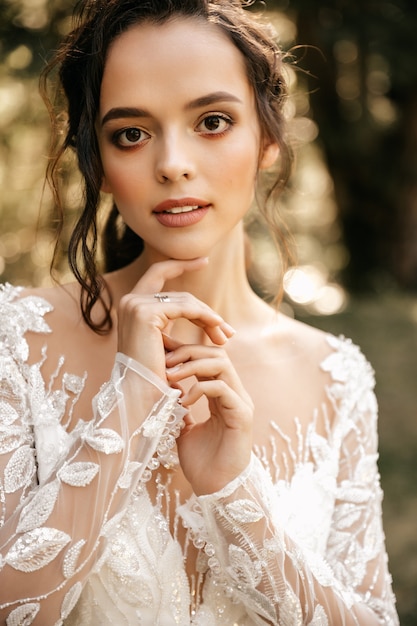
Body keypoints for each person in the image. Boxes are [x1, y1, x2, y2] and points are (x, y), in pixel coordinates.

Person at [0, 0, 399, 624]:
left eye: (212, 121)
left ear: (268, 137)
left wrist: (233, 492)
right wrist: (129, 404)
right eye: (130, 134)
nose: (172, 164)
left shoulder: (336, 376)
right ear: (100, 164)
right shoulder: (17, 341)